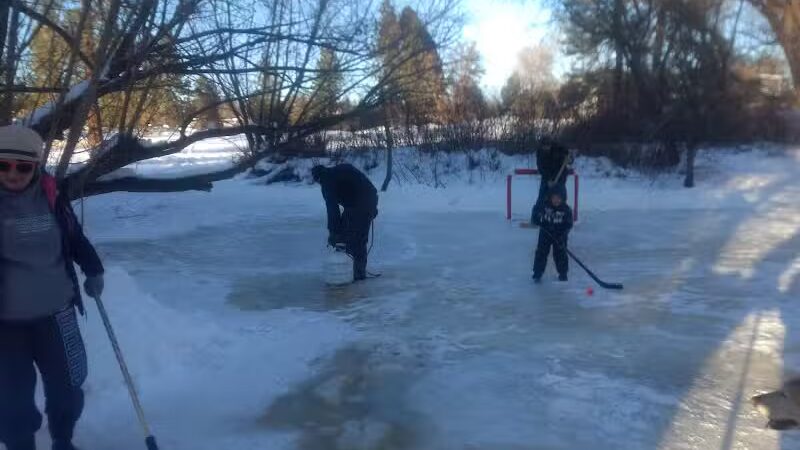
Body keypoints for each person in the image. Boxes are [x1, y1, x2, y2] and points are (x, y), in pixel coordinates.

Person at [0, 125, 105, 450]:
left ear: (37, 166)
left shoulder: (52, 194)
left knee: (68, 388)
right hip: (5, 323)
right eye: (2, 165)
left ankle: (63, 440)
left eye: (23, 166)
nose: (12, 174)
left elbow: (73, 236)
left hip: (57, 313)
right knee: (10, 397)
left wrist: (93, 268)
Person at [311, 164, 378, 281]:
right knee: (359, 237)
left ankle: (355, 274)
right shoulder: (339, 170)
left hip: (358, 204)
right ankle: (358, 272)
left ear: (318, 178)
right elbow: (364, 186)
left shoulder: (327, 181)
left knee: (352, 237)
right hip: (369, 197)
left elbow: (332, 208)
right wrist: (372, 207)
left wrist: (334, 232)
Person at [532, 189, 573, 283]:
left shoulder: (566, 209)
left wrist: (562, 235)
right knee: (541, 252)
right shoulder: (544, 206)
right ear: (550, 198)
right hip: (545, 233)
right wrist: (537, 219)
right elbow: (535, 213)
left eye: (559, 198)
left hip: (559, 235)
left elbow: (569, 224)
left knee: (561, 254)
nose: (556, 200)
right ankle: (537, 273)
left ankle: (563, 273)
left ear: (563, 199)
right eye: (554, 198)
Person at [532, 138, 572, 222]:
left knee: (561, 198)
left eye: (547, 147)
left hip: (560, 177)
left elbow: (569, 158)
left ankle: (564, 219)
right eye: (544, 147)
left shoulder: (559, 149)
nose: (546, 148)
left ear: (551, 145)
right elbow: (541, 168)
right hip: (547, 177)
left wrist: (569, 159)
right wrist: (548, 180)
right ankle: (536, 219)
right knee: (542, 197)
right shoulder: (540, 153)